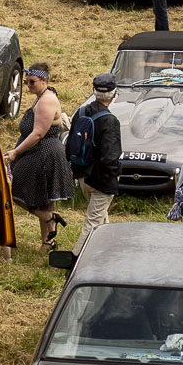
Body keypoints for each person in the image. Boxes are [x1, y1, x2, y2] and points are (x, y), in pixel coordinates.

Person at [5, 64, 73, 250]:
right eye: (27, 82)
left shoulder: (47, 101)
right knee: (42, 199)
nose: (28, 85)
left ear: (44, 80)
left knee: (13, 190)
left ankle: (48, 218)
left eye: (32, 82)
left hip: (45, 153)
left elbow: (38, 134)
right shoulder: (41, 97)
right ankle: (48, 243)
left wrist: (16, 152)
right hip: (37, 152)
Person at [69, 73, 122, 256]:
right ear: (114, 93)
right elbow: (110, 157)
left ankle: (106, 253)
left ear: (94, 91)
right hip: (101, 181)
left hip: (83, 176)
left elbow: (70, 145)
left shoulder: (81, 112)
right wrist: (116, 174)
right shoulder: (110, 121)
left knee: (100, 217)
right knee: (92, 223)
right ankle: (76, 259)